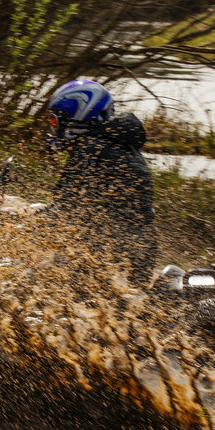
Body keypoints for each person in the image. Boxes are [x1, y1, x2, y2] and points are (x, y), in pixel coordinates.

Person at [45, 78, 157, 282]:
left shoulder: (90, 150)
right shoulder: (121, 145)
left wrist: (20, 222)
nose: (54, 128)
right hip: (138, 258)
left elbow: (65, 213)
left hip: (104, 258)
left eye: (55, 121)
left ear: (77, 116)